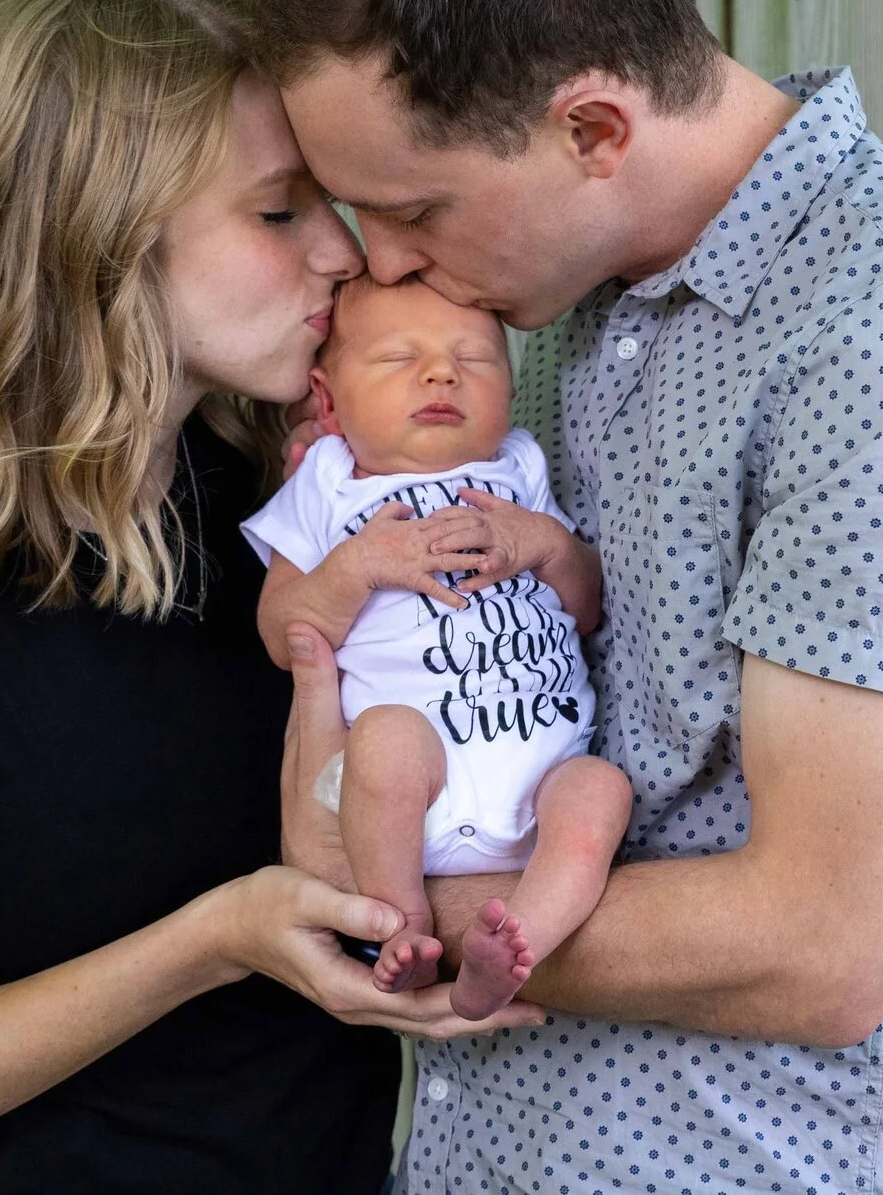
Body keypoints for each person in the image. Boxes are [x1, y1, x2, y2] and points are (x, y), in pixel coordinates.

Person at [249, 0, 883, 1195]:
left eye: (411, 207)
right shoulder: (547, 297)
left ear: (593, 130)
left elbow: (814, 943)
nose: (383, 263)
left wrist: (377, 898)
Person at [0, 0, 538, 1195]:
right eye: (279, 212)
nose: (341, 253)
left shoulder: (288, 518)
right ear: (98, 241)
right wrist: (213, 941)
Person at [241, 274, 630, 1019]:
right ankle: (404, 926)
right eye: (398, 358)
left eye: (474, 359)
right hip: (405, 793)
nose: (442, 374)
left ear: (510, 390)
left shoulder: (519, 469)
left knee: (600, 791)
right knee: (385, 738)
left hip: (541, 779)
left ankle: (515, 945)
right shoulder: (329, 483)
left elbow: (587, 609)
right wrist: (357, 567)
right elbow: (282, 631)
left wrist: (549, 546)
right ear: (328, 401)